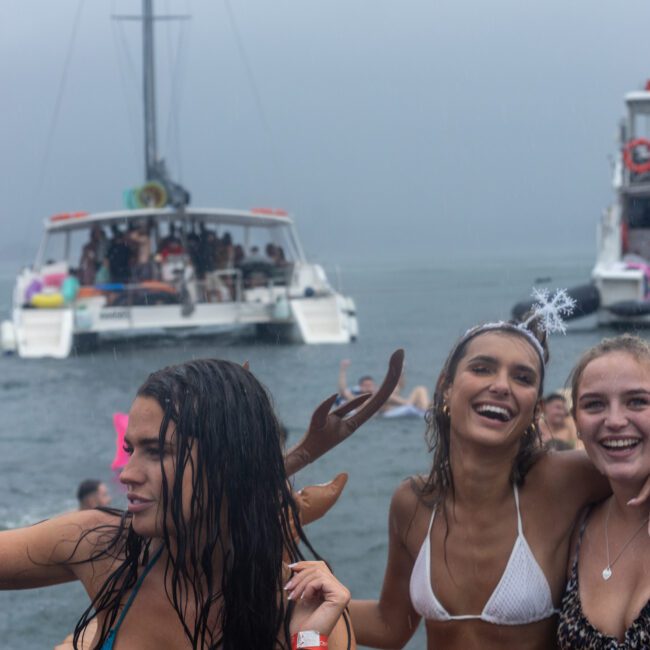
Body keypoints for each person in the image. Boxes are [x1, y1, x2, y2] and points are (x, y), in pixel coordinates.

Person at [1, 360, 357, 650]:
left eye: (156, 452)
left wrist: (308, 642)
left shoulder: (307, 611)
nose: (127, 473)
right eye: (130, 450)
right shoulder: (104, 548)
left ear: (227, 464)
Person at [349, 313, 624, 649]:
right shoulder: (412, 501)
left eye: (522, 377)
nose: (501, 385)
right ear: (445, 388)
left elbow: (634, 462)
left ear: (535, 411)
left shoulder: (565, 480)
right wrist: (287, 598)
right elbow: (390, 625)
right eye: (482, 368)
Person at [557, 334, 650, 647]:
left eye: (637, 401)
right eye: (594, 405)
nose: (614, 420)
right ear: (577, 425)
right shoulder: (575, 525)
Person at [338, 360, 429, 418]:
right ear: (361, 387)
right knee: (386, 395)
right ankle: (413, 405)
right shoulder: (356, 399)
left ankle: (426, 409)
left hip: (398, 405)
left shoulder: (378, 392)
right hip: (385, 408)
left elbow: (400, 386)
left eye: (371, 385)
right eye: (366, 385)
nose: (369, 387)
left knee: (420, 389)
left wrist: (401, 371)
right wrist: (343, 370)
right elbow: (343, 390)